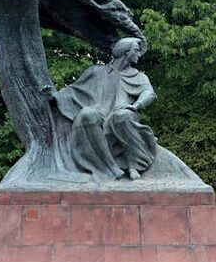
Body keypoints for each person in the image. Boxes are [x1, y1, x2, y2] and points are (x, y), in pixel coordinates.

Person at [42, 37, 158, 180]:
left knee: (121, 116)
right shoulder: (96, 72)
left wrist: (136, 105)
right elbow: (73, 90)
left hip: (124, 112)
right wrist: (53, 96)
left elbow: (149, 93)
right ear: (125, 52)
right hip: (100, 112)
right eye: (136, 51)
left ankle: (133, 164)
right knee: (86, 114)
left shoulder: (138, 76)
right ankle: (111, 167)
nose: (138, 55)